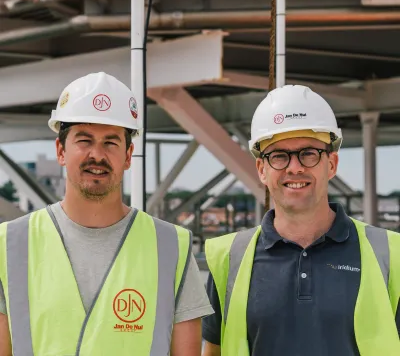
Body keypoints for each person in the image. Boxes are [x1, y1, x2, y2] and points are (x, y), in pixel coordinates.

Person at [0, 72, 213, 356]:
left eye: (110, 142)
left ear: (128, 156)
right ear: (61, 150)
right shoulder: (10, 245)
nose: (97, 155)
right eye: (84, 140)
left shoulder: (172, 246)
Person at [202, 84, 400, 356]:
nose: (295, 167)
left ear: (331, 164)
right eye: (279, 156)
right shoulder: (227, 259)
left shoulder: (391, 255)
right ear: (262, 169)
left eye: (308, 153)